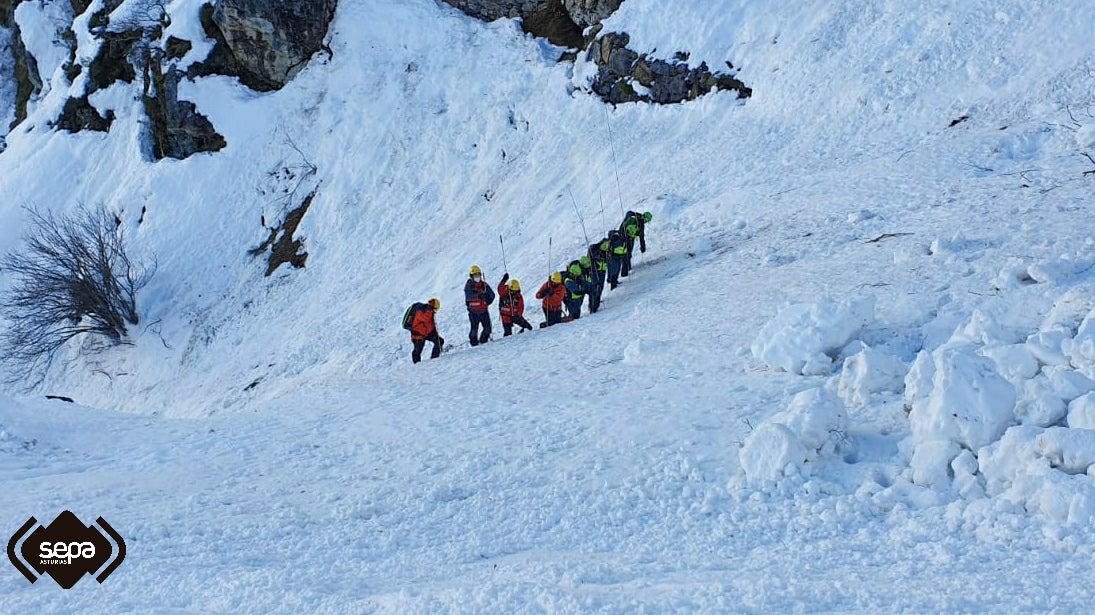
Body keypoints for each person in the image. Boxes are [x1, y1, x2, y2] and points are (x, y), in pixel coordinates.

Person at [464, 265, 495, 346]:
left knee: (487, 329)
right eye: (475, 275)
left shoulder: (484, 285)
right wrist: (479, 295)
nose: (477, 277)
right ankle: (474, 345)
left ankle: (483, 342)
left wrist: (486, 302)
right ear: (471, 276)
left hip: (484, 311)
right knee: (474, 330)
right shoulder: (468, 286)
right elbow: (469, 296)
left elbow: (492, 295)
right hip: (473, 312)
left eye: (478, 275)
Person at [407, 298, 443, 363]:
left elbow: (431, 324)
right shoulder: (421, 311)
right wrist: (429, 311)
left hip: (427, 333)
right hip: (418, 335)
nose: (435, 312)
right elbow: (425, 319)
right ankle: (417, 366)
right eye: (435, 309)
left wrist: (435, 333)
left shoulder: (430, 312)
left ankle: (434, 360)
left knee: (439, 341)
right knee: (417, 352)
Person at [619, 211, 651, 278]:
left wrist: (643, 246)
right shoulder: (634, 219)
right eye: (647, 220)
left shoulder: (641, 224)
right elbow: (624, 227)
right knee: (626, 254)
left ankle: (628, 267)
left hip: (631, 238)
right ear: (645, 218)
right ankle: (624, 273)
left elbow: (641, 236)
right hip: (625, 238)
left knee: (629, 253)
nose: (646, 222)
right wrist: (625, 236)